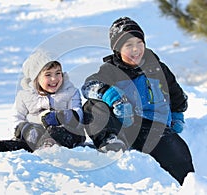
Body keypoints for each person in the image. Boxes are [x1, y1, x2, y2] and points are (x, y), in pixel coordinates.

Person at [81, 17, 194, 185]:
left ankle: (190, 184)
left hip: (153, 126)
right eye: (128, 45)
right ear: (117, 49)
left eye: (139, 43)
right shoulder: (111, 70)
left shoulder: (157, 68)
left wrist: (178, 115)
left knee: (177, 151)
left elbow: (176, 93)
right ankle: (110, 141)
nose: (135, 49)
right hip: (123, 126)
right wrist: (110, 95)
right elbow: (88, 87)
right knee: (92, 106)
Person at [0, 49, 86, 163]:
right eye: (48, 74)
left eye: (58, 73)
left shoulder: (70, 92)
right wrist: (25, 130)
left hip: (66, 135)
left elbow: (78, 114)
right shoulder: (24, 96)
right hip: (34, 137)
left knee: (57, 131)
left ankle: (48, 146)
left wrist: (59, 117)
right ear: (35, 78)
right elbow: (15, 118)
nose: (54, 78)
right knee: (18, 144)